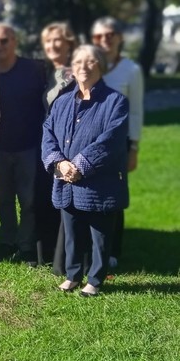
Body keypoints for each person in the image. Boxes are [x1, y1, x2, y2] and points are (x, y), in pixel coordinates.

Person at [42, 45, 129, 296]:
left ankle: (95, 280)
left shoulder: (115, 102)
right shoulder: (62, 102)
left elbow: (110, 141)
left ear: (100, 66)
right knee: (71, 232)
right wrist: (59, 163)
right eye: (78, 61)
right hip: (66, 180)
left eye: (90, 61)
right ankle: (72, 275)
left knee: (100, 235)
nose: (83, 66)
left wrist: (79, 165)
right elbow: (48, 134)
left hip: (99, 184)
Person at [0, 24, 46, 266]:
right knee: (3, 200)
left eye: (4, 41)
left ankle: (27, 245)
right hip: (0, 148)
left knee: (29, 200)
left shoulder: (34, 69)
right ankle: (9, 241)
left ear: (14, 41)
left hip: (29, 146)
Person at [91, 17, 144, 268]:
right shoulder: (89, 66)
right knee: (89, 197)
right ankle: (91, 248)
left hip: (117, 145)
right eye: (99, 36)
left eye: (109, 35)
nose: (104, 40)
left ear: (119, 38)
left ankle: (112, 252)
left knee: (113, 196)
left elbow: (135, 112)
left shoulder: (130, 71)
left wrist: (133, 147)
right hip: (87, 144)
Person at [39, 22, 78, 273]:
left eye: (57, 40)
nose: (52, 45)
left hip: (69, 146)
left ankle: (67, 261)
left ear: (68, 43)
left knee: (66, 201)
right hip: (47, 144)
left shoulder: (76, 73)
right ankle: (49, 251)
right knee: (47, 198)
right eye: (48, 41)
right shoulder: (46, 72)